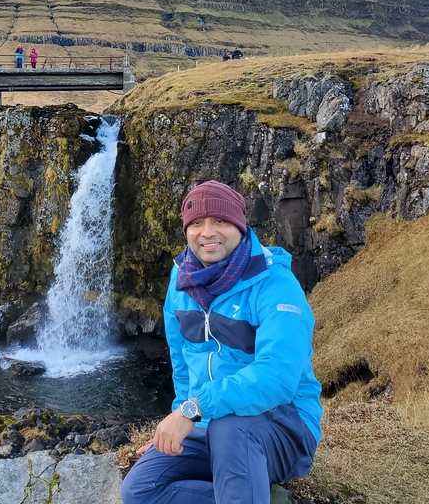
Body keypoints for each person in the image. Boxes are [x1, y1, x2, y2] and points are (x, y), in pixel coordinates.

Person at [122, 181, 322, 504]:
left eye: (220, 221)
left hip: (284, 426)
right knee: (140, 489)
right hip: (209, 425)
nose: (207, 232)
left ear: (240, 226)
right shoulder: (180, 282)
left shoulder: (276, 284)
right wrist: (176, 422)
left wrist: (193, 409)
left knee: (230, 428)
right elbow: (183, 365)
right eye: (197, 223)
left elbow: (277, 379)